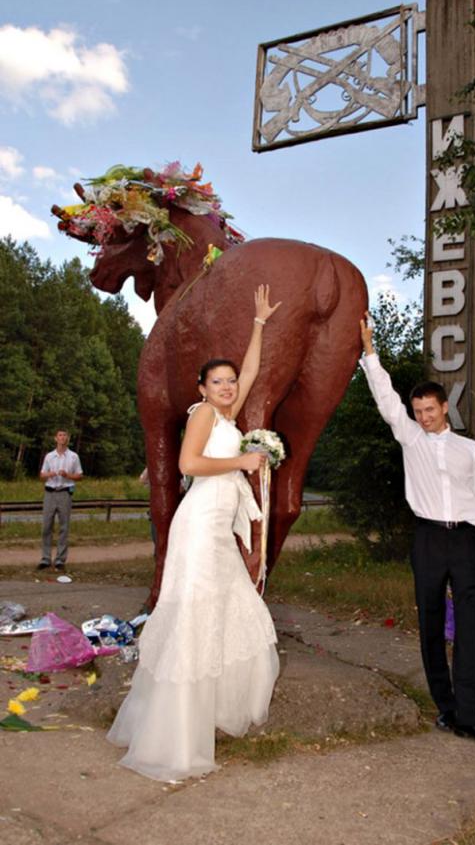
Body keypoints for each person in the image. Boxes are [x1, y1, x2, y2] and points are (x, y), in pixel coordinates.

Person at [107, 285, 281, 780]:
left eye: (230, 383)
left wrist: (259, 324)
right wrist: (243, 460)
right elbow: (188, 463)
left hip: (217, 532)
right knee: (194, 619)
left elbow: (250, 371)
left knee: (231, 612)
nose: (228, 387)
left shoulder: (225, 412)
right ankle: (175, 737)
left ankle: (207, 713)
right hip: (199, 526)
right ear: (201, 387)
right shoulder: (203, 414)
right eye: (218, 382)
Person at [359, 315, 475, 748]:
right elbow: (385, 397)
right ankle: (445, 707)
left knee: (470, 626)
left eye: (429, 410)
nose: (422, 417)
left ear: (444, 408)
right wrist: (370, 350)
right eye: (417, 411)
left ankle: (469, 716)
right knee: (430, 624)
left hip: (464, 540)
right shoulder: (410, 439)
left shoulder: (468, 448)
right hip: (426, 539)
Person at [38, 429, 83, 571]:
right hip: (50, 493)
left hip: (65, 493)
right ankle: (45, 558)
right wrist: (49, 474)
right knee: (46, 527)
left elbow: (80, 475)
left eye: (65, 435)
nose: (62, 438)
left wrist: (68, 475)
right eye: (60, 435)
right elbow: (41, 475)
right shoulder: (49, 456)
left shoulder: (73, 457)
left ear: (68, 439)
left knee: (64, 527)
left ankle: (60, 560)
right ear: (55, 438)